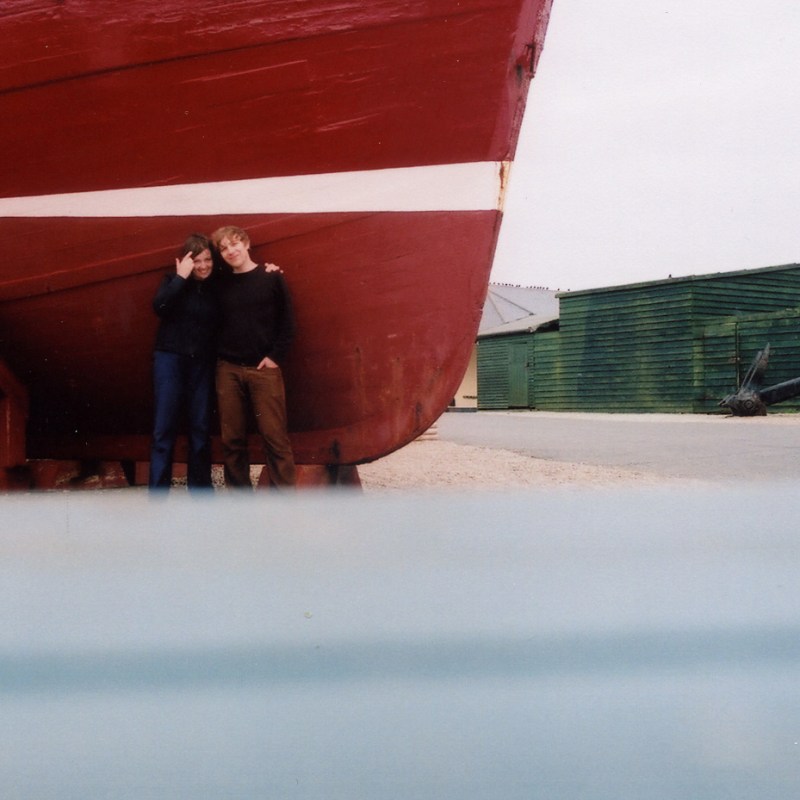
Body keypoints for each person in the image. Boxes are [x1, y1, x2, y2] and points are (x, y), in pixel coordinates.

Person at [211, 225, 297, 489]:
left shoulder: (271, 277)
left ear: (247, 244)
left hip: (264, 369)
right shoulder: (220, 283)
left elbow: (288, 322)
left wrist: (274, 356)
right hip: (229, 370)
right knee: (232, 441)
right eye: (223, 248)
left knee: (275, 438)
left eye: (234, 244)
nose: (230, 251)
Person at [148, 233, 219, 492]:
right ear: (187, 261)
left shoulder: (216, 286)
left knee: (200, 428)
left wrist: (271, 270)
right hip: (170, 359)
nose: (203, 266)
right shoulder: (172, 281)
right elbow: (160, 306)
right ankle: (158, 494)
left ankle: (200, 492)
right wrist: (181, 277)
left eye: (208, 260)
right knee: (164, 428)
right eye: (197, 261)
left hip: (201, 363)